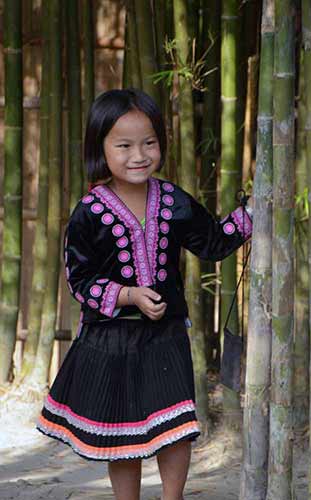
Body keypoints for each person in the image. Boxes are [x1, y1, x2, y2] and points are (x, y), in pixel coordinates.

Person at [37, 88, 253, 500]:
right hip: (111, 340)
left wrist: (253, 213)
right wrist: (128, 295)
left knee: (176, 427)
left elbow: (213, 242)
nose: (139, 155)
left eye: (149, 142)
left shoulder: (173, 201)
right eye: (124, 145)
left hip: (166, 334)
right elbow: (79, 280)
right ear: (100, 148)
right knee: (125, 433)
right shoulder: (89, 212)